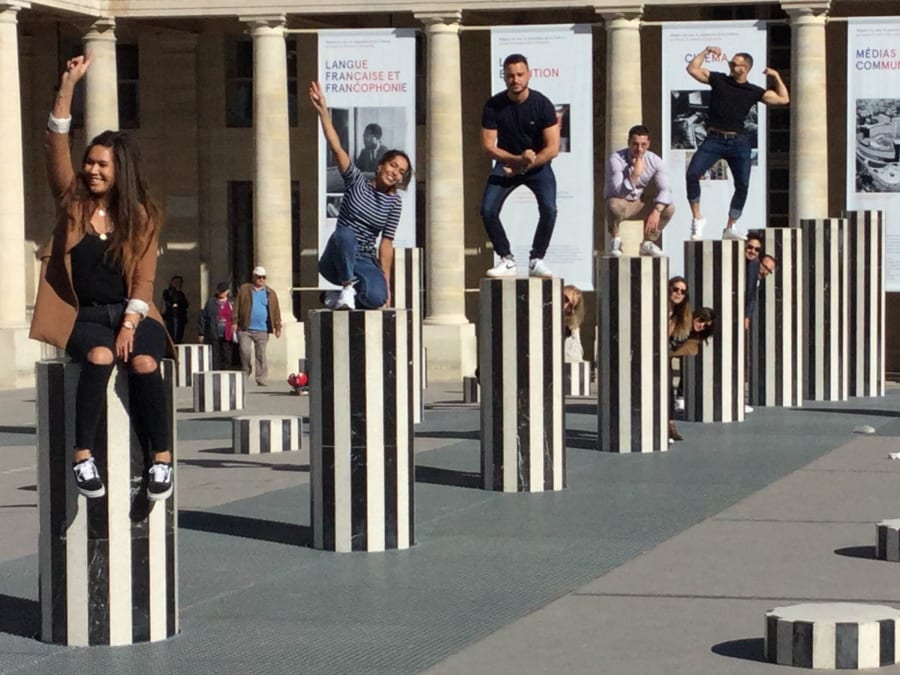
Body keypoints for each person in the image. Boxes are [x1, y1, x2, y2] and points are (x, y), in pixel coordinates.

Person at [29, 54, 174, 501]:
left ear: (119, 171)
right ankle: (83, 457)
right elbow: (55, 147)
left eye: (101, 165)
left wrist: (131, 325)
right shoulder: (72, 205)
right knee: (98, 357)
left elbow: (144, 284)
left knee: (145, 363)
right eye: (89, 162)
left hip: (131, 313)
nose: (91, 169)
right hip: (85, 316)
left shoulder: (142, 216)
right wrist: (67, 86)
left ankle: (161, 462)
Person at [309, 81, 412, 310]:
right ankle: (346, 287)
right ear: (380, 166)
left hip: (365, 259)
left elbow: (386, 244)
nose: (395, 173)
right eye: (393, 166)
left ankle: (337, 297)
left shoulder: (394, 203)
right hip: (337, 255)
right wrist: (323, 112)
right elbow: (337, 148)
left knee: (376, 298)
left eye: (401, 172)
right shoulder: (356, 180)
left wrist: (386, 287)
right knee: (345, 233)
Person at [685, 47, 789, 241]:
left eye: (735, 64)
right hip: (714, 138)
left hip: (738, 141)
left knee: (742, 184)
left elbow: (783, 99)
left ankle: (730, 226)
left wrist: (776, 76)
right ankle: (697, 218)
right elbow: (693, 69)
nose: (731, 66)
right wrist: (706, 51)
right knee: (692, 173)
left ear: (745, 68)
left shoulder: (753, 91)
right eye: (731, 63)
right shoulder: (719, 80)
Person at [480, 53, 560, 278]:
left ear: (529, 75)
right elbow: (488, 146)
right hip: (507, 164)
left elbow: (553, 147)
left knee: (549, 208)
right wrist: (516, 162)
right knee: (487, 209)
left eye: (519, 75)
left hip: (538, 165)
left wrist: (529, 162)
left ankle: (537, 259)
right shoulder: (494, 105)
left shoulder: (541, 104)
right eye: (510, 76)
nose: (515, 80)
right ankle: (506, 258)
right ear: (504, 78)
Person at [604, 124, 675, 258]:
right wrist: (635, 175)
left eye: (643, 144)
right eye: (635, 144)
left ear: (648, 144)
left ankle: (647, 243)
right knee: (613, 204)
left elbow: (666, 189)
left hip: (639, 203)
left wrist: (657, 210)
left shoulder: (654, 160)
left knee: (669, 208)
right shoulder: (616, 159)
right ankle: (616, 240)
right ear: (628, 143)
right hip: (622, 203)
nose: (639, 149)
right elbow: (618, 192)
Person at [669, 307, 716, 442]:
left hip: (665, 358)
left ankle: (670, 426)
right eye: (700, 320)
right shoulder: (678, 323)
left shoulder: (694, 338)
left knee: (668, 391)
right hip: (655, 354)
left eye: (705, 325)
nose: (701, 325)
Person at [233, 266, 282, 386]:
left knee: (261, 354)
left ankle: (261, 378)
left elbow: (276, 310)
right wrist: (234, 322)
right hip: (245, 328)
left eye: (263, 277)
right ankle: (246, 370)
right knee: (244, 352)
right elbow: (236, 306)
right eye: (259, 277)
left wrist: (278, 326)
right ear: (254, 277)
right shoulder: (244, 289)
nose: (261, 279)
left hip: (262, 329)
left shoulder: (270, 293)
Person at [198, 281, 235, 370]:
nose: (221, 293)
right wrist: (201, 333)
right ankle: (216, 372)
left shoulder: (232, 302)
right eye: (220, 291)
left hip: (227, 333)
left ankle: (226, 371)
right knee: (215, 355)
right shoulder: (211, 302)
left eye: (223, 291)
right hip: (214, 333)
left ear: (227, 291)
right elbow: (203, 317)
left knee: (227, 354)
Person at [161, 274, 189, 342]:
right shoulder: (167, 292)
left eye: (179, 283)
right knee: (171, 335)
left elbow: (185, 304)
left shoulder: (180, 293)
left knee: (179, 335)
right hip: (171, 316)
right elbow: (167, 303)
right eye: (175, 282)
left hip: (179, 317)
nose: (177, 284)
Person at [563, 284, 585, 363]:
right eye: (565, 299)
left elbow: (575, 357)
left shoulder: (571, 330)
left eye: (571, 306)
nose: (566, 307)